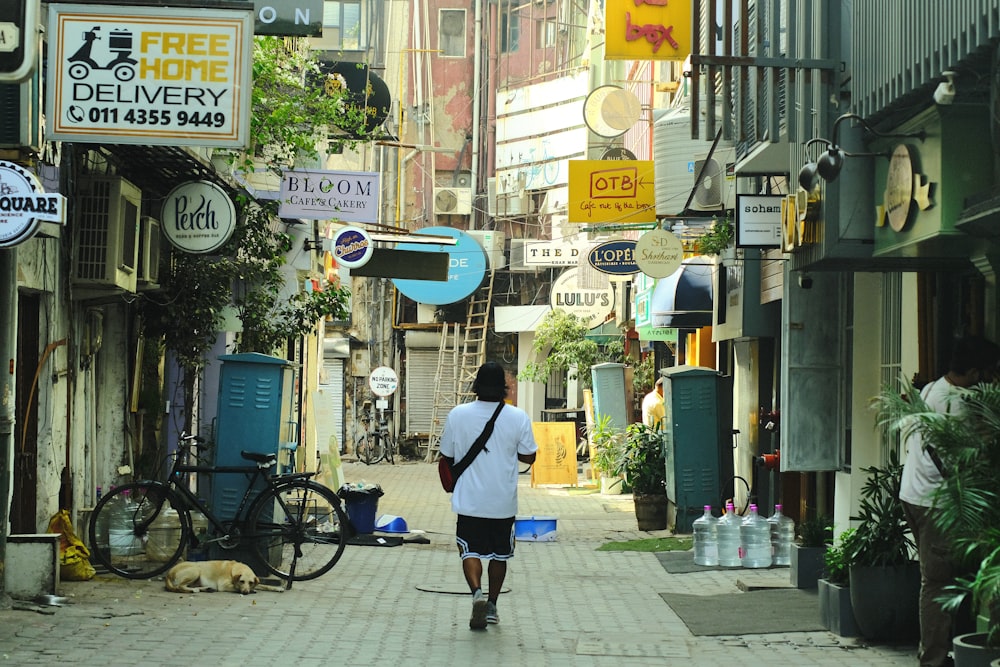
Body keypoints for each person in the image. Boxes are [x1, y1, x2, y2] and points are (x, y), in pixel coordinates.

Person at [899, 335, 1000, 667]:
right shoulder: (960, 405)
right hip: (937, 504)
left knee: (942, 578)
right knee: (939, 583)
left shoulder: (933, 388)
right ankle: (935, 659)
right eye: (988, 372)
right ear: (973, 372)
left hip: (915, 494)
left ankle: (943, 652)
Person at [438, 361, 538, 630]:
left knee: (468, 549)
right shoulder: (518, 417)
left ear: (476, 387)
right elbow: (530, 455)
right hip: (502, 503)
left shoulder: (457, 414)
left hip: (469, 501)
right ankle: (492, 606)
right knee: (499, 555)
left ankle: (476, 595)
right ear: (503, 388)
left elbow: (446, 455)